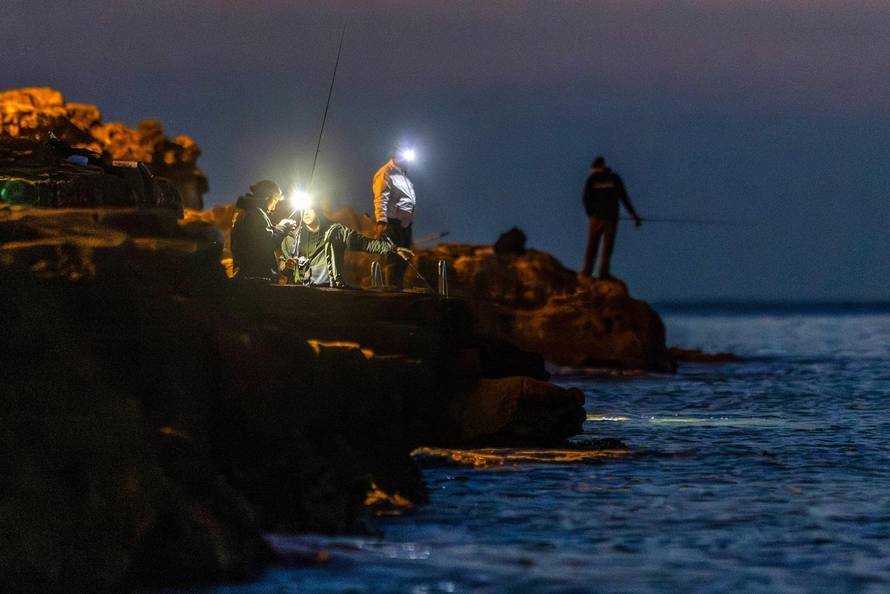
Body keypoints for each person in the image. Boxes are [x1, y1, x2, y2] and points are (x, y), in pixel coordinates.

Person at [278, 205, 414, 288]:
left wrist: (393, 248)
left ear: (317, 210)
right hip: (300, 292)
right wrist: (285, 266)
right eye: (302, 210)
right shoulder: (291, 238)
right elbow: (282, 266)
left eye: (309, 209)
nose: (305, 213)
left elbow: (365, 243)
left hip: (329, 292)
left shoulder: (336, 232)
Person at [581, 156, 643, 279]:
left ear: (596, 168)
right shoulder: (615, 179)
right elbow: (624, 198)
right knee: (607, 247)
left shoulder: (592, 180)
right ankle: (603, 273)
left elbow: (586, 199)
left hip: (597, 218)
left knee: (592, 246)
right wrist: (634, 215)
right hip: (611, 218)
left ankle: (587, 272)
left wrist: (590, 214)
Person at [230, 180, 296, 280]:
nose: (274, 206)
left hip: (250, 276)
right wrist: (283, 226)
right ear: (267, 197)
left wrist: (278, 227)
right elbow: (266, 244)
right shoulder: (255, 214)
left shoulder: (249, 213)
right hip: (256, 279)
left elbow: (259, 237)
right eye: (275, 200)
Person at [372, 149, 417, 288]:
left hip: (404, 224)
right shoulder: (386, 173)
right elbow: (381, 198)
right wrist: (381, 221)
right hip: (392, 224)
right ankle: (391, 294)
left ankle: (397, 290)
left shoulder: (403, 174)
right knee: (393, 261)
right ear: (395, 156)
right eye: (404, 157)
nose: (407, 161)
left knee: (403, 261)